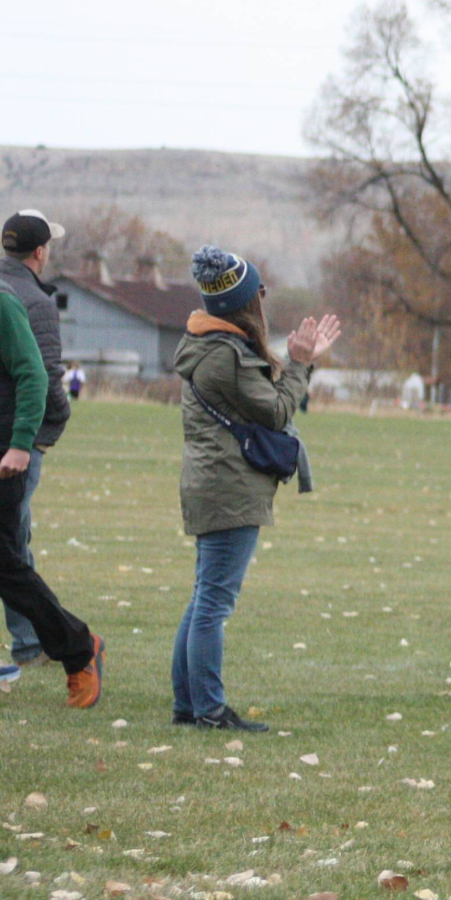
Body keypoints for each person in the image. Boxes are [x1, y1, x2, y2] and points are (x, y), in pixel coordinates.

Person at [173, 247, 340, 730]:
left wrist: (295, 361)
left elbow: (264, 400)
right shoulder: (226, 355)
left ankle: (189, 706)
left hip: (213, 481)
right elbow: (277, 411)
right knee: (213, 604)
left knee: (204, 596)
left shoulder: (205, 342)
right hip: (229, 487)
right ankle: (208, 710)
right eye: (259, 292)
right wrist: (302, 364)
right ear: (246, 301)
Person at [0, 213, 105, 708]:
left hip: (1, 448)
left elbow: (38, 374)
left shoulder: (3, 300)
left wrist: (31, 440)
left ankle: (78, 647)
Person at [0, 211, 73, 669]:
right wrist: (52, 424)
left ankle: (24, 639)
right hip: (18, 437)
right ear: (40, 252)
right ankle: (21, 642)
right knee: (3, 544)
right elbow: (46, 373)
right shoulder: (34, 300)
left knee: (2, 539)